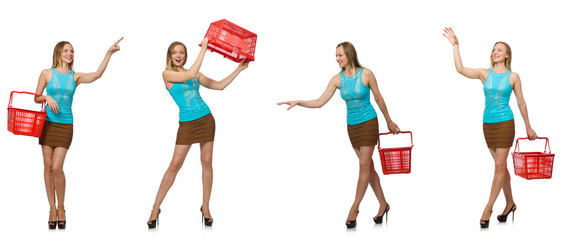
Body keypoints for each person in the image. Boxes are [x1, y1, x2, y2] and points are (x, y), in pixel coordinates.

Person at [278, 42, 400, 228]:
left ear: (349, 54)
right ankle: (384, 205)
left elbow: (379, 98)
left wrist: (389, 121)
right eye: (336, 56)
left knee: (363, 166)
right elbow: (319, 102)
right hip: (352, 127)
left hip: (368, 122)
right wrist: (299, 102)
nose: (337, 58)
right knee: (369, 168)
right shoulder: (337, 79)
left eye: (340, 55)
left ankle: (354, 208)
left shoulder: (366, 73)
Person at [147, 39, 249, 228]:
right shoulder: (167, 74)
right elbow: (191, 73)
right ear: (170, 56)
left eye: (182, 52)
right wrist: (204, 49)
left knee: (207, 162)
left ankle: (206, 207)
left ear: (186, 56)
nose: (178, 55)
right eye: (175, 52)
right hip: (187, 123)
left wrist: (239, 69)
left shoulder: (193, 73)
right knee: (174, 165)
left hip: (206, 119)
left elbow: (219, 85)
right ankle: (155, 208)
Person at [443, 27, 537, 228]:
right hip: (487, 124)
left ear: (507, 55)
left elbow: (521, 102)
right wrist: (456, 45)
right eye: (494, 49)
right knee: (501, 168)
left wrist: (528, 126)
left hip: (505, 124)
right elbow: (460, 69)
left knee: (498, 167)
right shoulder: (483, 73)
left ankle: (488, 207)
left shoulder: (514, 77)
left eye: (500, 50)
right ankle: (510, 203)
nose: (495, 52)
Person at [34, 38, 123, 229]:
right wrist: (47, 96)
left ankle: (62, 208)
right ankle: (52, 208)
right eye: (66, 50)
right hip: (47, 124)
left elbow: (97, 74)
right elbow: (36, 97)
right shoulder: (46, 73)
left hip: (65, 125)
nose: (69, 54)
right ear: (58, 53)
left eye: (72, 51)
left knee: (57, 167)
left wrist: (108, 53)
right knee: (47, 167)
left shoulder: (76, 77)